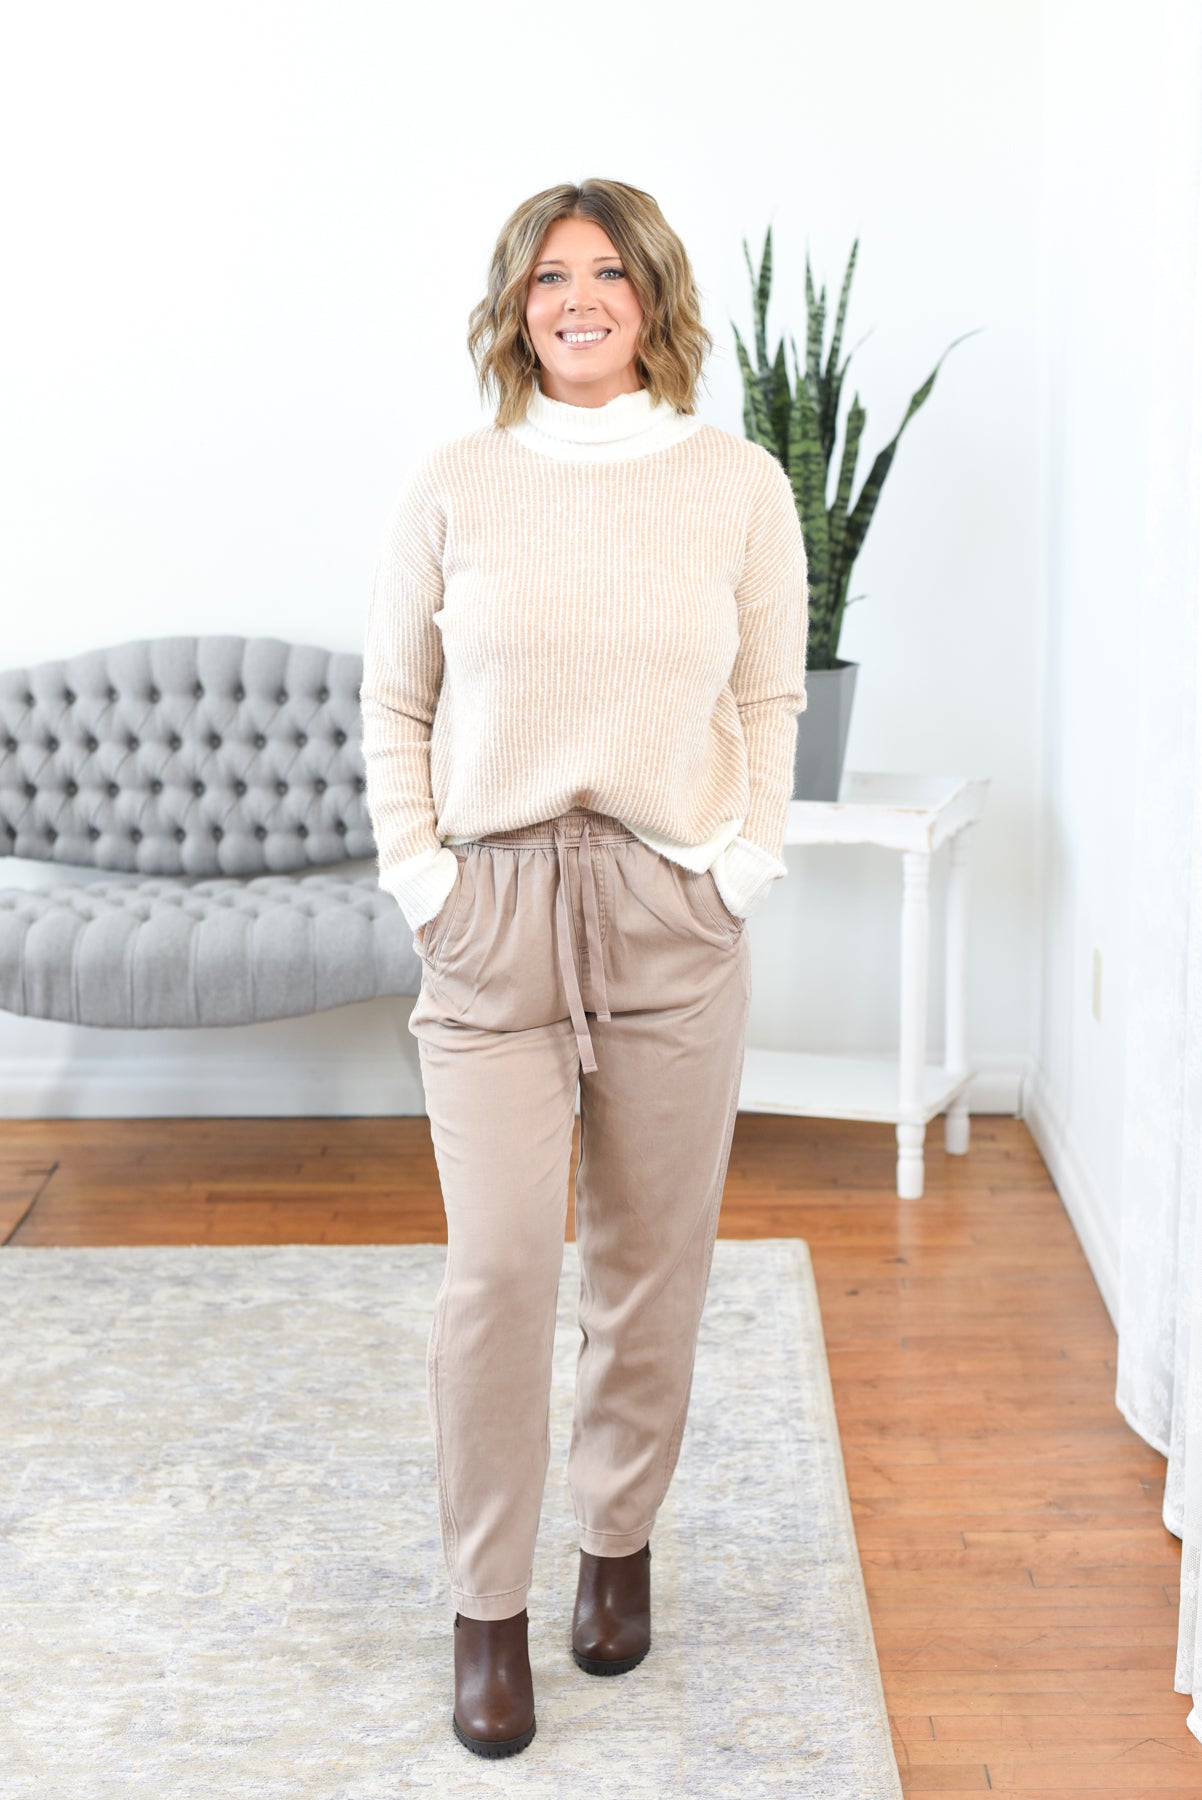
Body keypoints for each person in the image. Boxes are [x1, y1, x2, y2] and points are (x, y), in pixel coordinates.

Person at [359, 176, 809, 1759]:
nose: (578, 299)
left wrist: (739, 868)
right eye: (548, 275)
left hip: (668, 907)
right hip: (490, 910)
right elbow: (395, 701)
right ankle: (485, 1608)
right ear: (514, 306)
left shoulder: (739, 484)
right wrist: (423, 880)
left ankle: (615, 1542)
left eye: (607, 271)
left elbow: (767, 701)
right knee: (498, 1269)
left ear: (652, 299)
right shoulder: (454, 482)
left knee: (649, 1262)